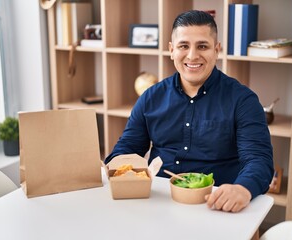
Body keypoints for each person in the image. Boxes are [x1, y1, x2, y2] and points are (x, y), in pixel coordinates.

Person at [105, 10, 274, 212]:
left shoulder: (243, 100)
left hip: (217, 206)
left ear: (216, 50)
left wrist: (242, 189)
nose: (192, 55)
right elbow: (127, 149)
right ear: (171, 50)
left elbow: (259, 160)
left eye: (202, 46)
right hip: (159, 204)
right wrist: (112, 166)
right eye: (183, 46)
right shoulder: (150, 98)